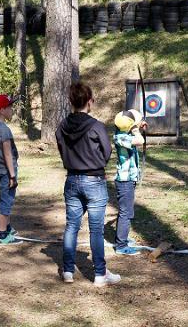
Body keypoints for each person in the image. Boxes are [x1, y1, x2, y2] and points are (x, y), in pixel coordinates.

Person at [56, 82, 120, 287]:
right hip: (94, 181)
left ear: (71, 101)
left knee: (71, 226)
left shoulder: (62, 126)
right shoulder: (96, 126)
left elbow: (61, 147)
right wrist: (96, 163)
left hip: (72, 180)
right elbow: (107, 152)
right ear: (90, 101)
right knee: (96, 230)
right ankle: (100, 274)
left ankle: (68, 270)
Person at [112, 109, 147, 255]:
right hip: (124, 181)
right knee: (125, 213)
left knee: (126, 211)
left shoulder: (124, 134)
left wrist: (138, 125)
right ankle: (121, 246)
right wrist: (135, 129)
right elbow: (140, 140)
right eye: (134, 125)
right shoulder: (120, 137)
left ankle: (123, 238)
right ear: (129, 126)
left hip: (128, 180)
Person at [0, 94, 21, 245]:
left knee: (6, 199)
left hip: (0, 170)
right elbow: (7, 153)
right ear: (1, 110)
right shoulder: (4, 129)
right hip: (7, 172)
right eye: (9, 107)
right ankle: (3, 235)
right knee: (6, 201)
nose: (12, 109)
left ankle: (7, 228)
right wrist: (12, 176)